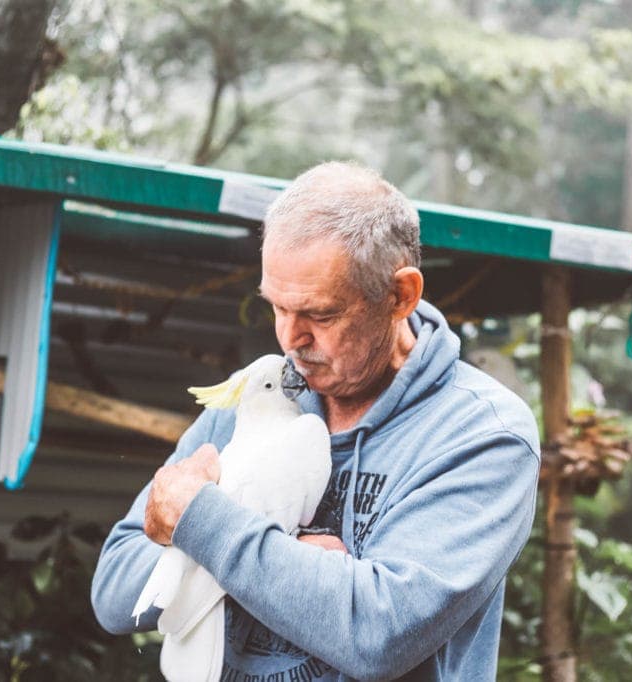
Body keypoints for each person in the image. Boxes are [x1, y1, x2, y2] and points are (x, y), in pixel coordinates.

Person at [91, 161, 540, 681]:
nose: (290, 339)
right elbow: (116, 592)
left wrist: (203, 524)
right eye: (276, 308)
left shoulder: (481, 435)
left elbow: (378, 636)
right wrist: (288, 558)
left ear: (401, 296)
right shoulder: (253, 402)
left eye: (321, 315)